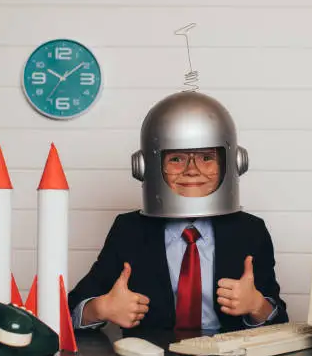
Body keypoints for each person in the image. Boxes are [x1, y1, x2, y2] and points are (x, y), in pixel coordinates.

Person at [67, 91, 288, 331]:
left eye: (206, 157)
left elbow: (279, 321)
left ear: (232, 163)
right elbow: (70, 310)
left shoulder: (250, 231)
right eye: (176, 159)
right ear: (145, 167)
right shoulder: (129, 230)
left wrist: (256, 305)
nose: (192, 170)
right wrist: (101, 308)